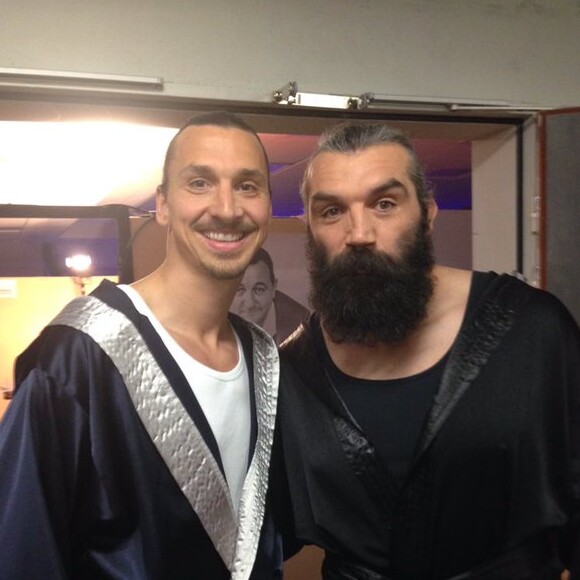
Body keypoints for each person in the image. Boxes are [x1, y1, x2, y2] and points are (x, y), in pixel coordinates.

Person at [275, 121, 580, 579]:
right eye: (332, 211)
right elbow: (255, 533)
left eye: (384, 204)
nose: (359, 233)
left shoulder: (532, 331)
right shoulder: (293, 369)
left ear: (428, 214)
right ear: (311, 229)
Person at [0, 112, 282, 579]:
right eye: (200, 183)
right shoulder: (76, 356)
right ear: (163, 205)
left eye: (248, 186)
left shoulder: (263, 359)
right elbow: (21, 550)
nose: (228, 208)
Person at [231, 247, 309, 344]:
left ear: (273, 288)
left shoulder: (300, 326)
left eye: (259, 289)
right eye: (240, 289)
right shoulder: (217, 314)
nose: (250, 303)